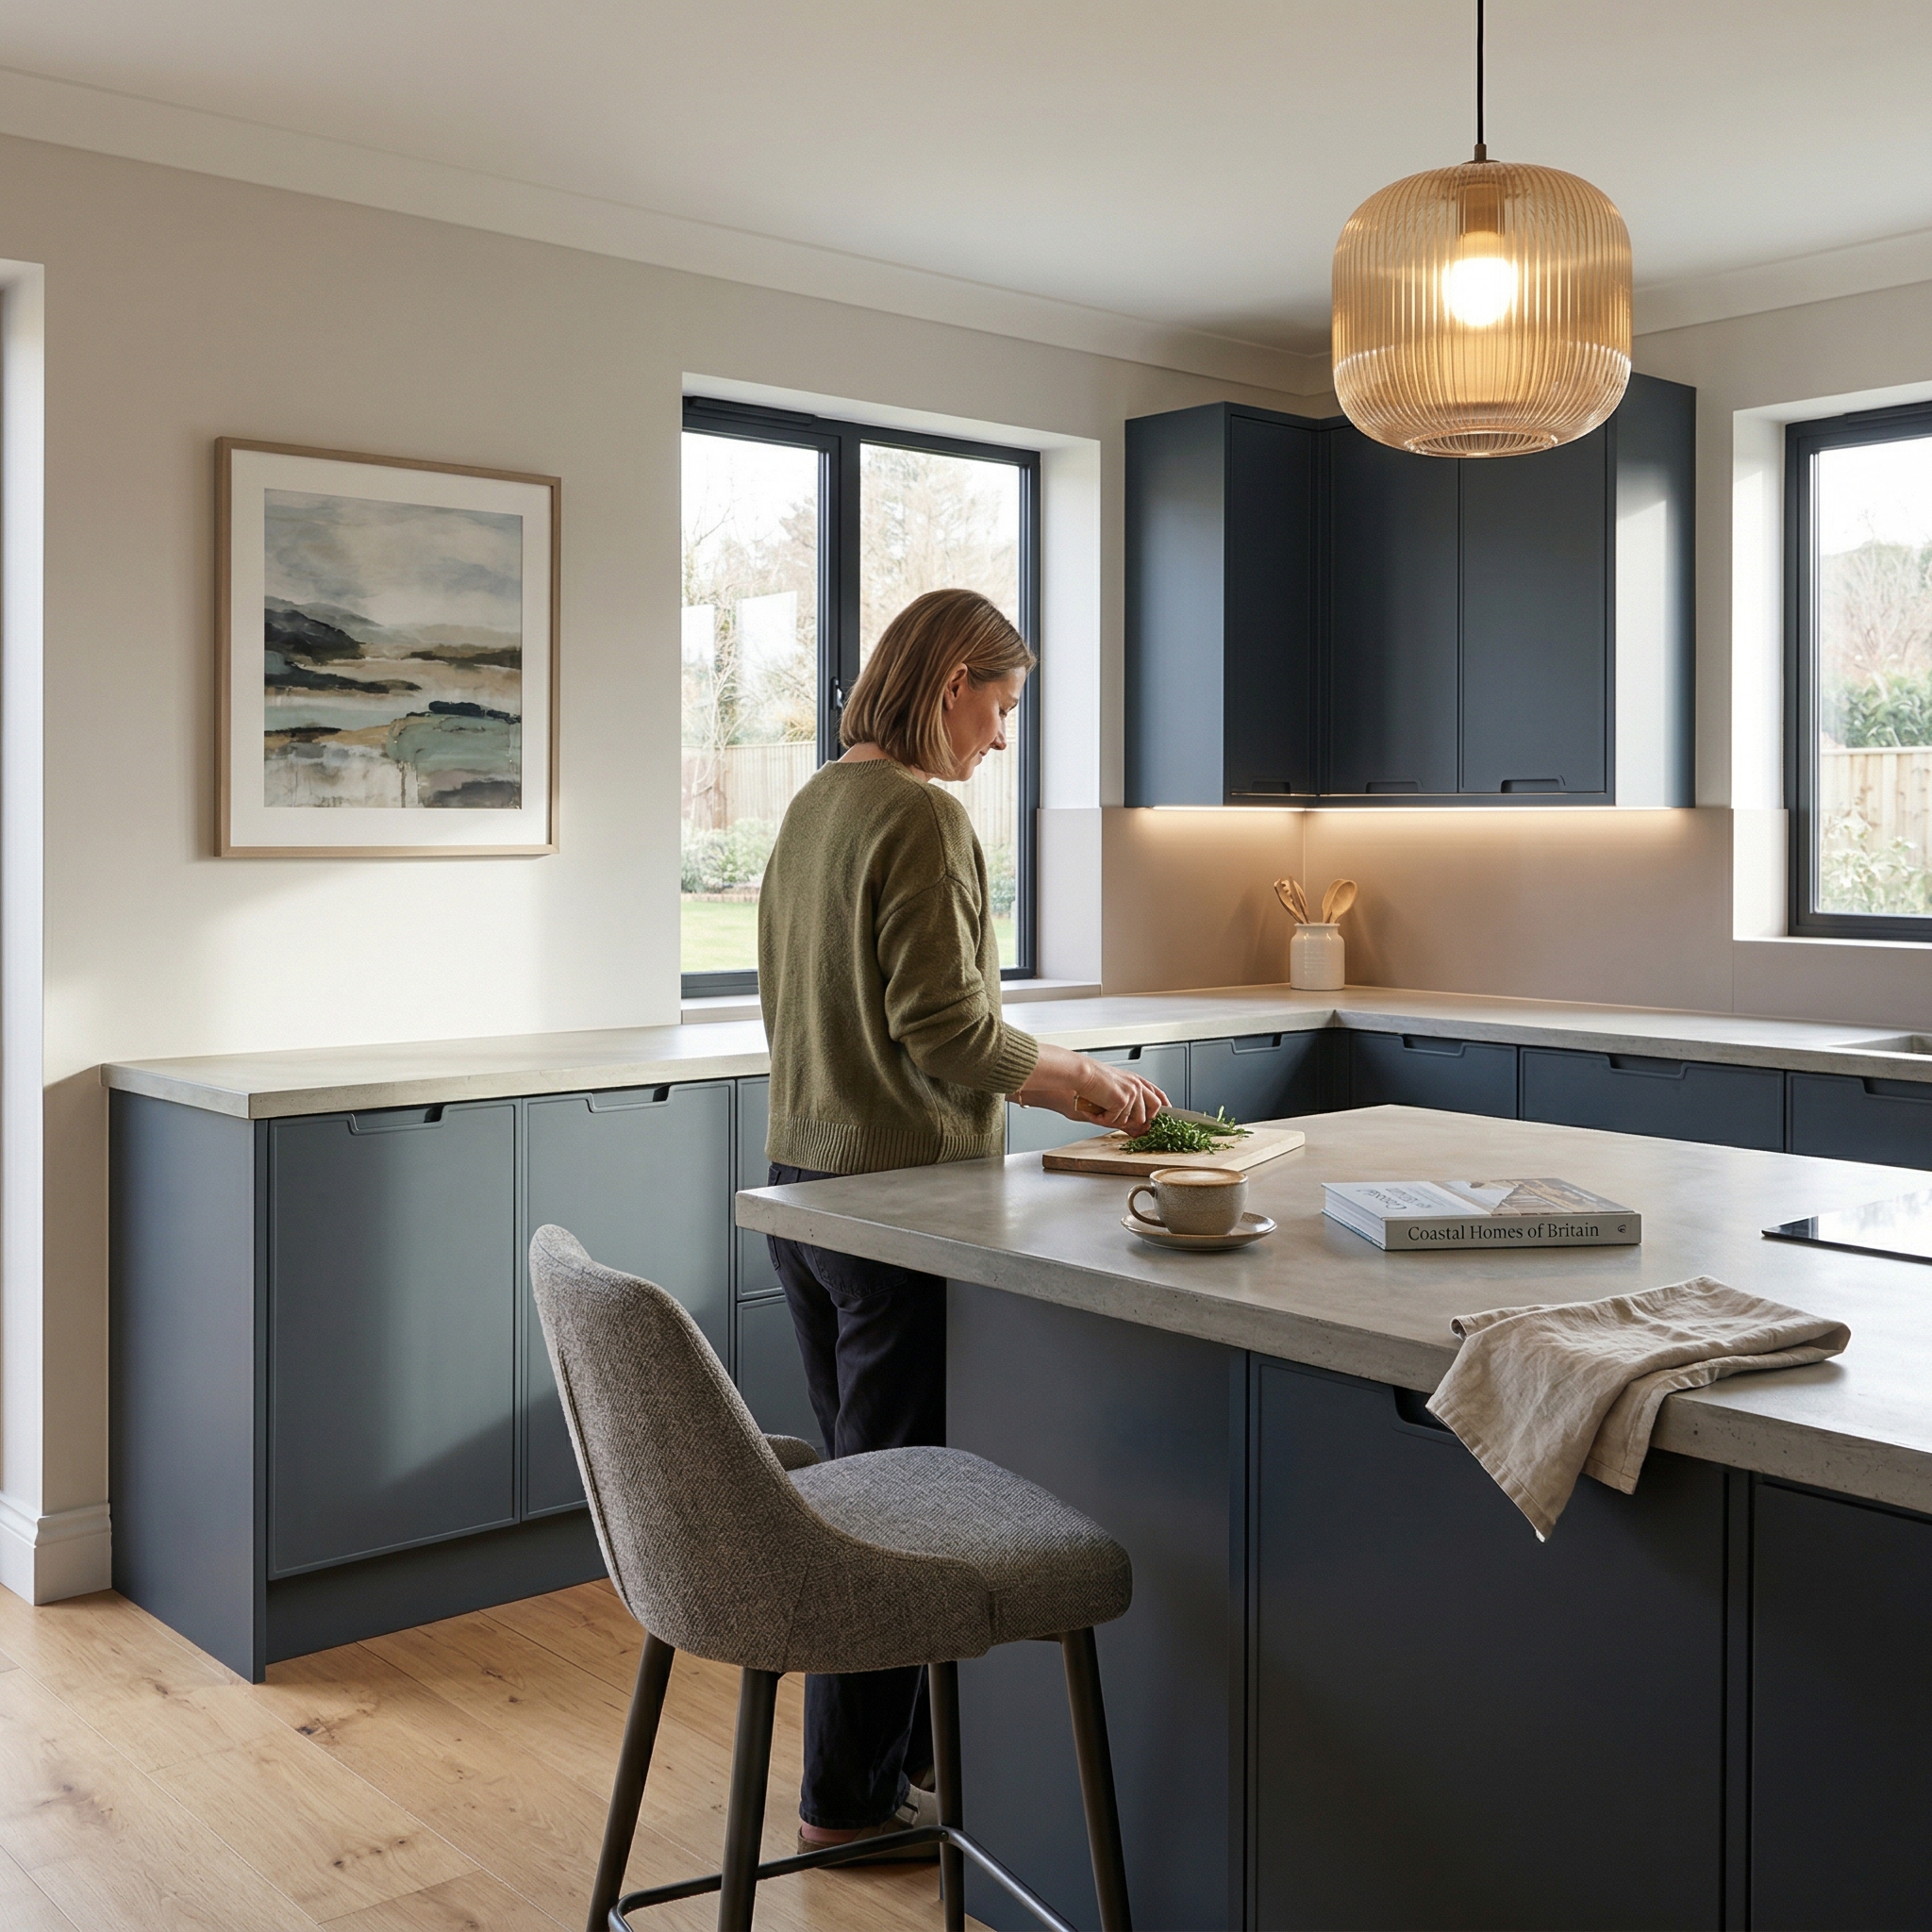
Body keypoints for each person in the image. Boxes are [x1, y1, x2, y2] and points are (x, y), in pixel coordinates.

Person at [757, 586, 1166, 1860]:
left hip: (803, 1193)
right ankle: (850, 1802)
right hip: (900, 1213)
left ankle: (916, 1763)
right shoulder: (923, 815)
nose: (999, 736)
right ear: (950, 684)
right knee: (898, 1533)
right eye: (1001, 705)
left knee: (862, 1502)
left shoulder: (816, 801)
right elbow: (948, 1031)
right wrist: (1089, 1085)